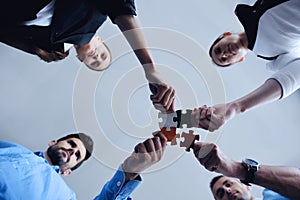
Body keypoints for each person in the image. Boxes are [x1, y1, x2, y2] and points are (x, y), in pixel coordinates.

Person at [0, 0, 175, 112]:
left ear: (80, 59)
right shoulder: (96, 13)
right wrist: (149, 68)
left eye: (94, 62)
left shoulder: (49, 48)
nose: (96, 57)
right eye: (102, 55)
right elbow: (121, 8)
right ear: (99, 39)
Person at [194, 0, 300, 131]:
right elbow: (294, 76)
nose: (225, 54)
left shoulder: (248, 7)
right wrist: (235, 107)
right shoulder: (276, 57)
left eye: (218, 50)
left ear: (226, 35)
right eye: (224, 60)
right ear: (239, 60)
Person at [0, 131, 167, 199]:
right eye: (71, 144)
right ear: (53, 142)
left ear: (68, 173)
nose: (73, 151)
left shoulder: (65, 196)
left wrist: (129, 172)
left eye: (77, 155)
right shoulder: (12, 148)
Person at [192, 141, 300, 199]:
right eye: (220, 194)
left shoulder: (273, 192)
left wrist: (237, 169)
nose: (226, 190)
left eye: (229, 184)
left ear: (247, 186)